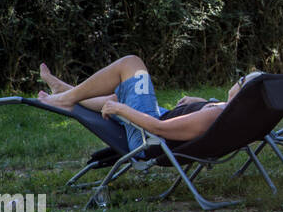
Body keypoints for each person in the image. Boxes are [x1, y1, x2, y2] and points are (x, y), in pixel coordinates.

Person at [37, 56, 262, 151]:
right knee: (113, 98)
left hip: (150, 137)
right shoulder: (235, 114)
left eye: (241, 81)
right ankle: (64, 90)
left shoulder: (214, 116)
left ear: (241, 93)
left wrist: (122, 110)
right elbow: (213, 116)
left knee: (131, 63)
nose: (236, 80)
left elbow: (159, 128)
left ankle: (66, 97)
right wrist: (203, 102)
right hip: (159, 122)